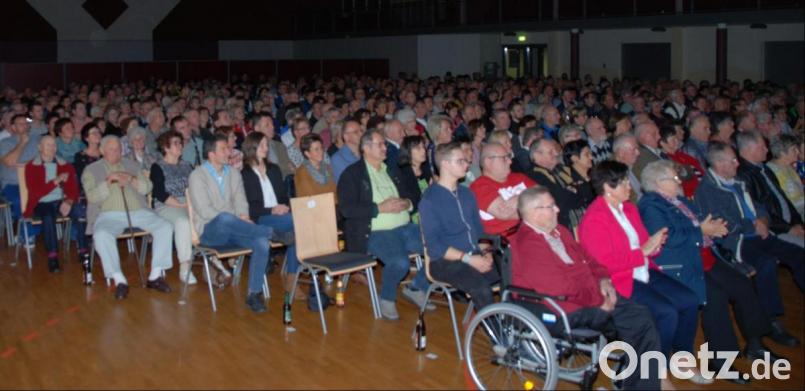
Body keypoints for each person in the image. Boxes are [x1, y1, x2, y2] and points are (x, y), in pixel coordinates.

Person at [638, 160, 780, 380]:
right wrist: (701, 229)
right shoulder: (650, 203)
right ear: (657, 183)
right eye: (673, 178)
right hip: (680, 264)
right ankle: (721, 361)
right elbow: (668, 237)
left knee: (742, 284)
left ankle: (755, 343)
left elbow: (703, 221)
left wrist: (714, 227)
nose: (679, 181)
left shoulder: (681, 201)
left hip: (704, 257)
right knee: (715, 297)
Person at [511, 186, 661, 390]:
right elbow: (559, 288)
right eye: (551, 206)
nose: (557, 210)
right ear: (535, 212)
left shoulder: (559, 231)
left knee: (642, 315)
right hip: (562, 307)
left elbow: (590, 260)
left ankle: (635, 381)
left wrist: (604, 280)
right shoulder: (528, 243)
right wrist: (599, 301)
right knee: (638, 324)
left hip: (590, 293)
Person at [578, 161, 701, 373]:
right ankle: (654, 372)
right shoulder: (594, 219)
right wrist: (643, 251)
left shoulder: (629, 209)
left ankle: (681, 358)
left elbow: (645, 243)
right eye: (624, 182)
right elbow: (604, 264)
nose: (630, 186)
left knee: (689, 300)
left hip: (642, 269)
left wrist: (654, 246)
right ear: (608, 187)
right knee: (666, 312)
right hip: (619, 279)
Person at [694, 142, 803, 346]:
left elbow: (760, 206)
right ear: (718, 164)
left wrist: (762, 220)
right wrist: (753, 225)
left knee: (798, 255)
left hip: (759, 233)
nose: (737, 163)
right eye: (732, 160)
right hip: (737, 241)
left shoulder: (738, 181)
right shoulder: (707, 190)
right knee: (766, 263)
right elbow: (722, 223)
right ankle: (771, 320)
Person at [337, 129, 428, 320]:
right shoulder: (352, 174)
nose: (385, 148)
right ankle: (387, 297)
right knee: (400, 262)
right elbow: (347, 210)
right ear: (366, 148)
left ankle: (416, 287)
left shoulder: (392, 170)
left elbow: (412, 195)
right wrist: (379, 208)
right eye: (380, 144)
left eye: (385, 144)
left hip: (405, 227)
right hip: (375, 232)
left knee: (440, 248)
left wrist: (407, 203)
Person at [188, 134, 275, 313]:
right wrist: (236, 219)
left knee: (261, 243)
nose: (229, 152)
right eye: (224, 149)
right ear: (211, 154)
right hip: (209, 231)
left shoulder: (233, 173)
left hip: (234, 230)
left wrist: (243, 215)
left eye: (228, 148)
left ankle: (253, 293)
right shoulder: (198, 175)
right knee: (225, 218)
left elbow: (241, 200)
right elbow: (204, 211)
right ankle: (269, 231)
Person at [81, 135, 174, 300]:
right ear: (102, 151)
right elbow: (92, 197)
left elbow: (147, 187)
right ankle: (119, 279)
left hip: (138, 211)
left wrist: (131, 179)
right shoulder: (91, 170)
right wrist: (109, 181)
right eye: (111, 149)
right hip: (108, 214)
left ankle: (155, 275)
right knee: (101, 235)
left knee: (165, 227)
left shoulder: (131, 165)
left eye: (118, 149)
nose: (116, 152)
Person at [419, 142, 500, 312]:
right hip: (445, 261)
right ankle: (500, 336)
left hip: (474, 254)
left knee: (512, 274)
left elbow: (479, 231)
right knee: (481, 287)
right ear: (445, 164)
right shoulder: (429, 200)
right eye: (460, 161)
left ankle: (518, 325)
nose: (467, 164)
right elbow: (434, 247)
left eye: (466, 160)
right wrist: (469, 259)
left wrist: (486, 253)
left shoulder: (466, 193)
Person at [241, 132, 300, 299]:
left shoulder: (273, 169)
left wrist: (284, 206)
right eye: (262, 145)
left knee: (297, 224)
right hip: (260, 218)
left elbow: (282, 196)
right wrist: (273, 210)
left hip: (280, 216)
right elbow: (252, 207)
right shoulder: (245, 174)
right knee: (295, 222)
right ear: (251, 148)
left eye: (266, 145)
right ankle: (292, 277)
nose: (266, 149)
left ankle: (292, 277)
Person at [23, 135, 88, 273]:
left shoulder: (64, 165)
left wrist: (69, 201)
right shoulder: (31, 166)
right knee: (47, 217)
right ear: (40, 147)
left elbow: (73, 190)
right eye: (48, 145)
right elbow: (36, 192)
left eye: (54, 145)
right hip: (41, 202)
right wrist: (56, 181)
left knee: (79, 212)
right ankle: (52, 256)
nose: (52, 148)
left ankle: (83, 251)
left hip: (61, 200)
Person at [735, 130, 804, 247]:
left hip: (788, 223)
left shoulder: (763, 169)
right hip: (776, 230)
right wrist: (789, 229)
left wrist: (797, 223)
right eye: (762, 147)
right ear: (748, 149)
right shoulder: (743, 176)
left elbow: (784, 199)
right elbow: (760, 212)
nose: (767, 150)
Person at [149, 131, 196, 285]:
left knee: (208, 217)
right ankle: (185, 266)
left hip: (189, 203)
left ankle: (214, 260)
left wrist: (192, 203)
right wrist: (182, 205)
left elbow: (197, 187)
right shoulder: (158, 167)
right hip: (167, 205)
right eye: (176, 143)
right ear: (166, 147)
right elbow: (159, 193)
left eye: (180, 142)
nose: (180, 146)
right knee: (183, 222)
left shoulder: (187, 165)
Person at [469, 142, 535, 236]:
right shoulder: (479, 187)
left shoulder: (519, 177)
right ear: (488, 162)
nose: (510, 161)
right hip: (510, 239)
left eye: (509, 156)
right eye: (504, 158)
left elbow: (545, 196)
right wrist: (535, 205)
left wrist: (519, 198)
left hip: (536, 230)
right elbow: (504, 213)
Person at [527, 138, 587, 232]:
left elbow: (585, 188)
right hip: (566, 225)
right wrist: (576, 189)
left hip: (583, 215)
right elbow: (562, 200)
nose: (556, 153)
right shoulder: (535, 176)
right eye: (551, 152)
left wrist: (574, 189)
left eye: (555, 150)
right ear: (537, 156)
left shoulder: (560, 168)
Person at [391, 135, 431, 224]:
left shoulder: (426, 169)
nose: (424, 150)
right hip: (414, 215)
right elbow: (409, 200)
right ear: (408, 151)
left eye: (423, 147)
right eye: (418, 148)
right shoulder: (402, 173)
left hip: (430, 211)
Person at [767, 134, 803, 221]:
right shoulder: (772, 171)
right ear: (782, 153)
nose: (798, 152)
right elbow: (788, 203)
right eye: (794, 149)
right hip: (795, 214)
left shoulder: (788, 166)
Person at [294, 133, 337, 199]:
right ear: (307, 153)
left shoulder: (328, 168)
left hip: (332, 206)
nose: (321, 152)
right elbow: (310, 198)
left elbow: (335, 192)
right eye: (316, 149)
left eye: (321, 148)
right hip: (315, 207)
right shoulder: (301, 173)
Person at [612, 133, 643, 203]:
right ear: (621, 153)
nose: (638, 153)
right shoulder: (612, 173)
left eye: (637, 149)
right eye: (634, 149)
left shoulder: (634, 164)